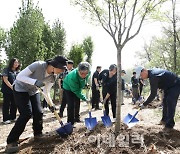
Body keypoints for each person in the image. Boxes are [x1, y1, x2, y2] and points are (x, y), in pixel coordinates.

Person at [5, 55, 68, 153]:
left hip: (34, 91)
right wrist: (34, 81)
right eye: (61, 69)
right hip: (20, 88)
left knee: (39, 112)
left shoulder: (53, 77)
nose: (62, 71)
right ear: (54, 66)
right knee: (26, 114)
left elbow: (46, 91)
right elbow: (19, 76)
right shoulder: (38, 65)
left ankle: (38, 135)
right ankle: (11, 141)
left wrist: (51, 104)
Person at [136, 66, 180, 131]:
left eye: (141, 75)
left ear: (144, 70)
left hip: (175, 84)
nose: (141, 77)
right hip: (168, 87)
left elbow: (153, 94)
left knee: (170, 102)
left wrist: (144, 104)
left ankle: (169, 125)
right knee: (165, 102)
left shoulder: (153, 75)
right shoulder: (152, 74)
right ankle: (164, 120)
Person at [1, 58, 20, 124]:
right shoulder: (6, 70)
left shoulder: (18, 71)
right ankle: (5, 119)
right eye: (15, 62)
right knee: (6, 104)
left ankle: (13, 117)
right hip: (7, 90)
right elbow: (5, 79)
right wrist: (11, 87)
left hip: (15, 90)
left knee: (14, 104)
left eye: (17, 62)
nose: (16, 64)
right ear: (12, 63)